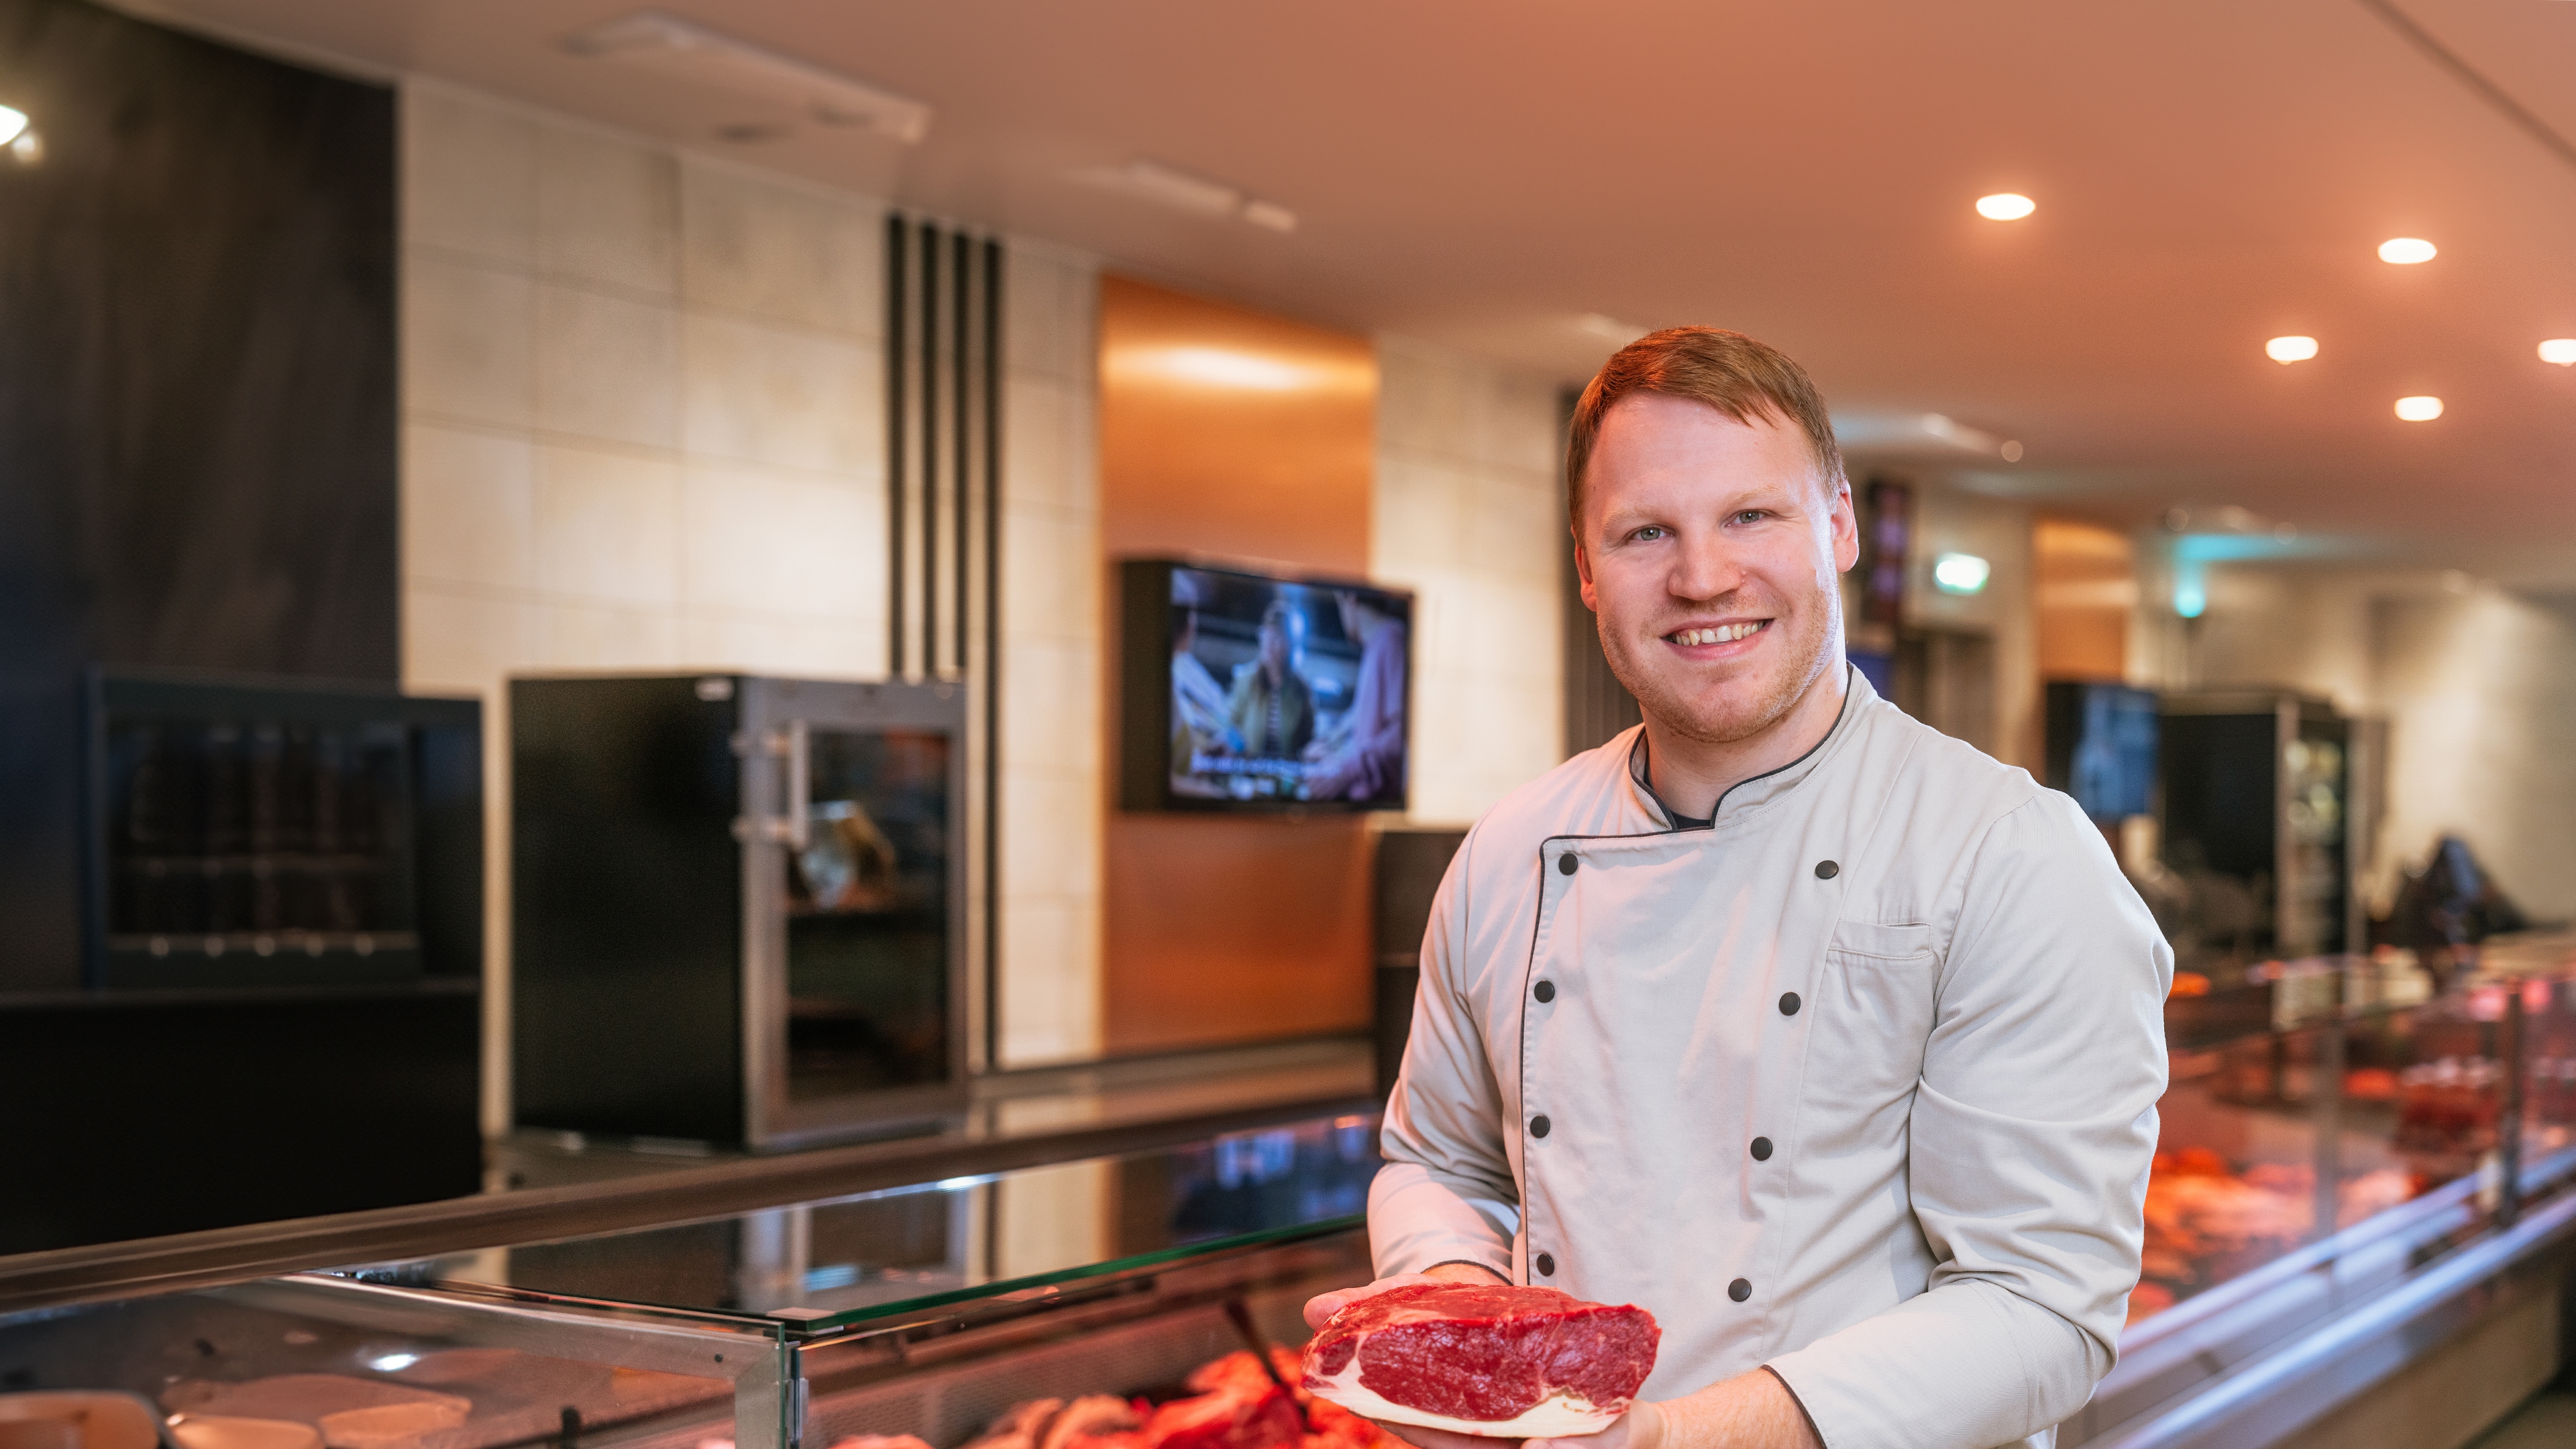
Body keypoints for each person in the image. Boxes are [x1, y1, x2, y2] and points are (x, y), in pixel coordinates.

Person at [1306, 328, 2170, 1449]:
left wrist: (1669, 1440)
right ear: (1583, 564)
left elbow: (2043, 1308)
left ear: (1840, 527)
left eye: (1751, 516)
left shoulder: (2008, 853)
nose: (1702, 576)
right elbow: (1439, 1160)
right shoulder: (1510, 849)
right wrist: (1454, 1326)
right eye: (1644, 532)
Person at [1303, 590, 1407, 802]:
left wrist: (1345, 771)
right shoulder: (1374, 647)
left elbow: (1401, 735)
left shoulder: (1393, 638)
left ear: (1350, 599)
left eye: (1339, 605)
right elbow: (1363, 725)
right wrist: (1329, 745)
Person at [1226, 598, 1316, 759]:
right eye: (1266, 635)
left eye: (1276, 638)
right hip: (1247, 774)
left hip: (1286, 777)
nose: (1269, 643)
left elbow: (1308, 741)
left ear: (1289, 645)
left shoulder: (1302, 691)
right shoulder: (1245, 680)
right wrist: (1238, 749)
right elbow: (1229, 726)